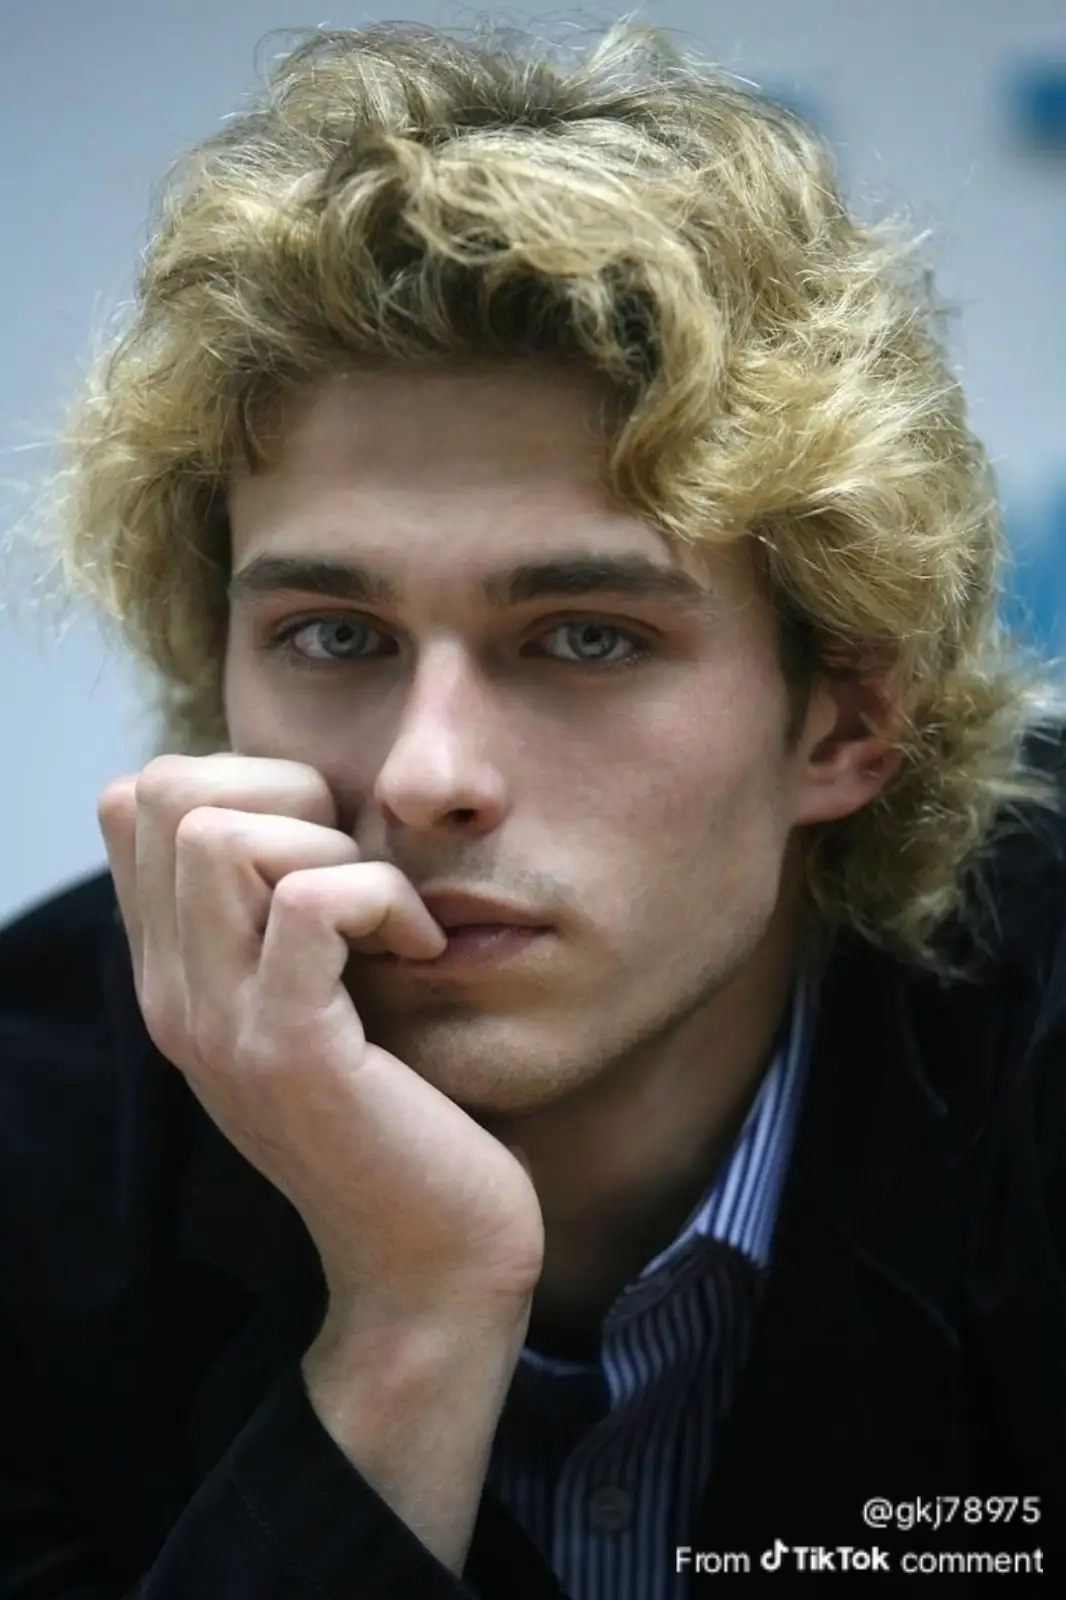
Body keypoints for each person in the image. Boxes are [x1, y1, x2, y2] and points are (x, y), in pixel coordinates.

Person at [1, 16, 1064, 1598]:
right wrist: (412, 1320)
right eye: (334, 636)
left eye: (585, 639)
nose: (425, 776)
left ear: (843, 720)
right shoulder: (31, 1140)